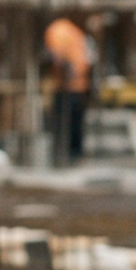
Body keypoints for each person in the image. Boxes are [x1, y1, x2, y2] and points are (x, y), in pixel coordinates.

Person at [43, 14, 95, 166]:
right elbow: (87, 60)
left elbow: (56, 57)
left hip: (65, 86)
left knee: (63, 122)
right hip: (79, 85)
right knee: (76, 123)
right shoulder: (76, 33)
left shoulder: (55, 31)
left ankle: (63, 154)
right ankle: (75, 153)